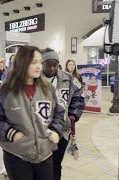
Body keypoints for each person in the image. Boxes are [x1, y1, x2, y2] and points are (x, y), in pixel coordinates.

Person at [0, 46, 66, 180]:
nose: (39, 66)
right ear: (22, 63)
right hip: (17, 156)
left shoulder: (49, 89)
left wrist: (56, 130)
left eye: (40, 62)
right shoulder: (4, 91)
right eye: (34, 62)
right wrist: (12, 133)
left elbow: (59, 112)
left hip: (45, 154)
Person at [42, 49, 84, 180]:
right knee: (43, 164)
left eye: (55, 64)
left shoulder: (68, 78)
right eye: (49, 64)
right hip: (42, 131)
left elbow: (79, 95)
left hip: (63, 130)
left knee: (56, 164)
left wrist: (73, 115)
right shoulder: (35, 78)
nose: (53, 67)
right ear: (42, 64)